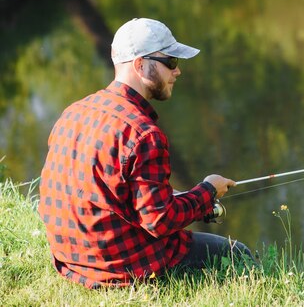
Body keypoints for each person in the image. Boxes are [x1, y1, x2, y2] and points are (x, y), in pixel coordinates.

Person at [38, 17, 252, 289]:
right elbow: (160, 222)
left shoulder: (74, 111)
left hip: (71, 261)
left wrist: (184, 197)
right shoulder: (144, 134)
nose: (177, 72)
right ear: (140, 65)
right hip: (120, 267)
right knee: (237, 253)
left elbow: (104, 192)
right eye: (171, 62)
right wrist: (208, 191)